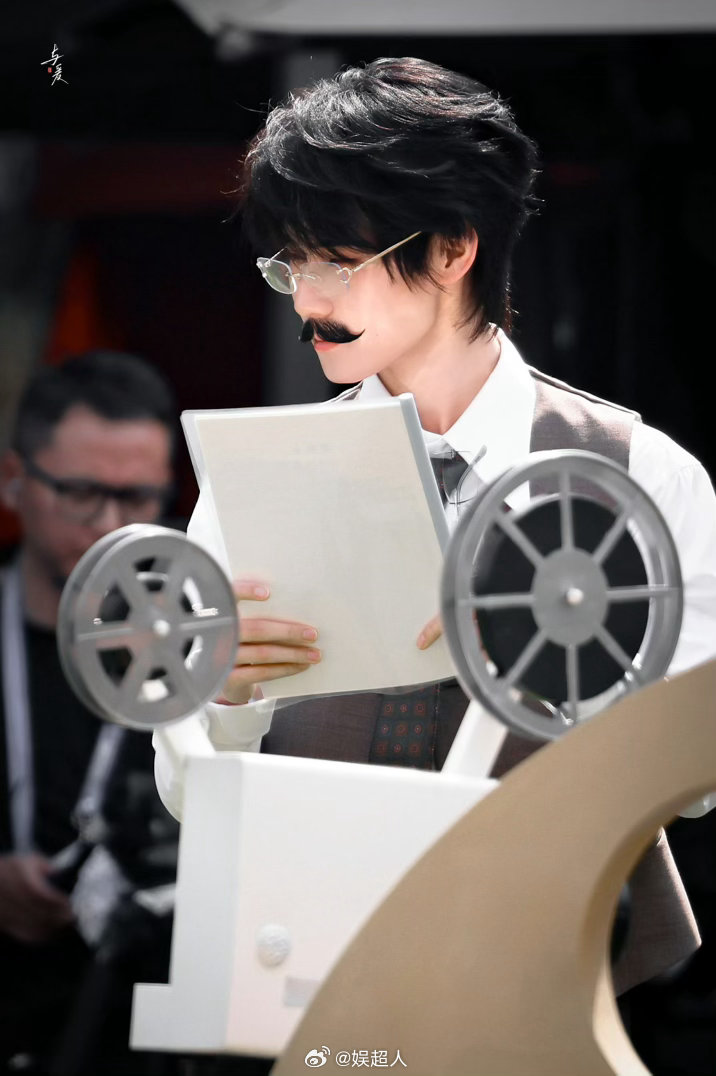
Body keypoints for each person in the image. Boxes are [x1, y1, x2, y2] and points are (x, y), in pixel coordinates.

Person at [153, 57, 716, 1000]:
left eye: (335, 263)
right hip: (315, 984)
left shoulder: (640, 475)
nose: (307, 301)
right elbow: (186, 797)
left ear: (453, 250)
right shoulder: (259, 480)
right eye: (290, 264)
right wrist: (230, 694)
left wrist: (558, 671)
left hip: (556, 989)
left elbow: (698, 778)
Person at [0, 351, 180, 1074]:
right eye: (79, 493)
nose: (109, 526)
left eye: (138, 498)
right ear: (15, 481)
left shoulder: (205, 662)